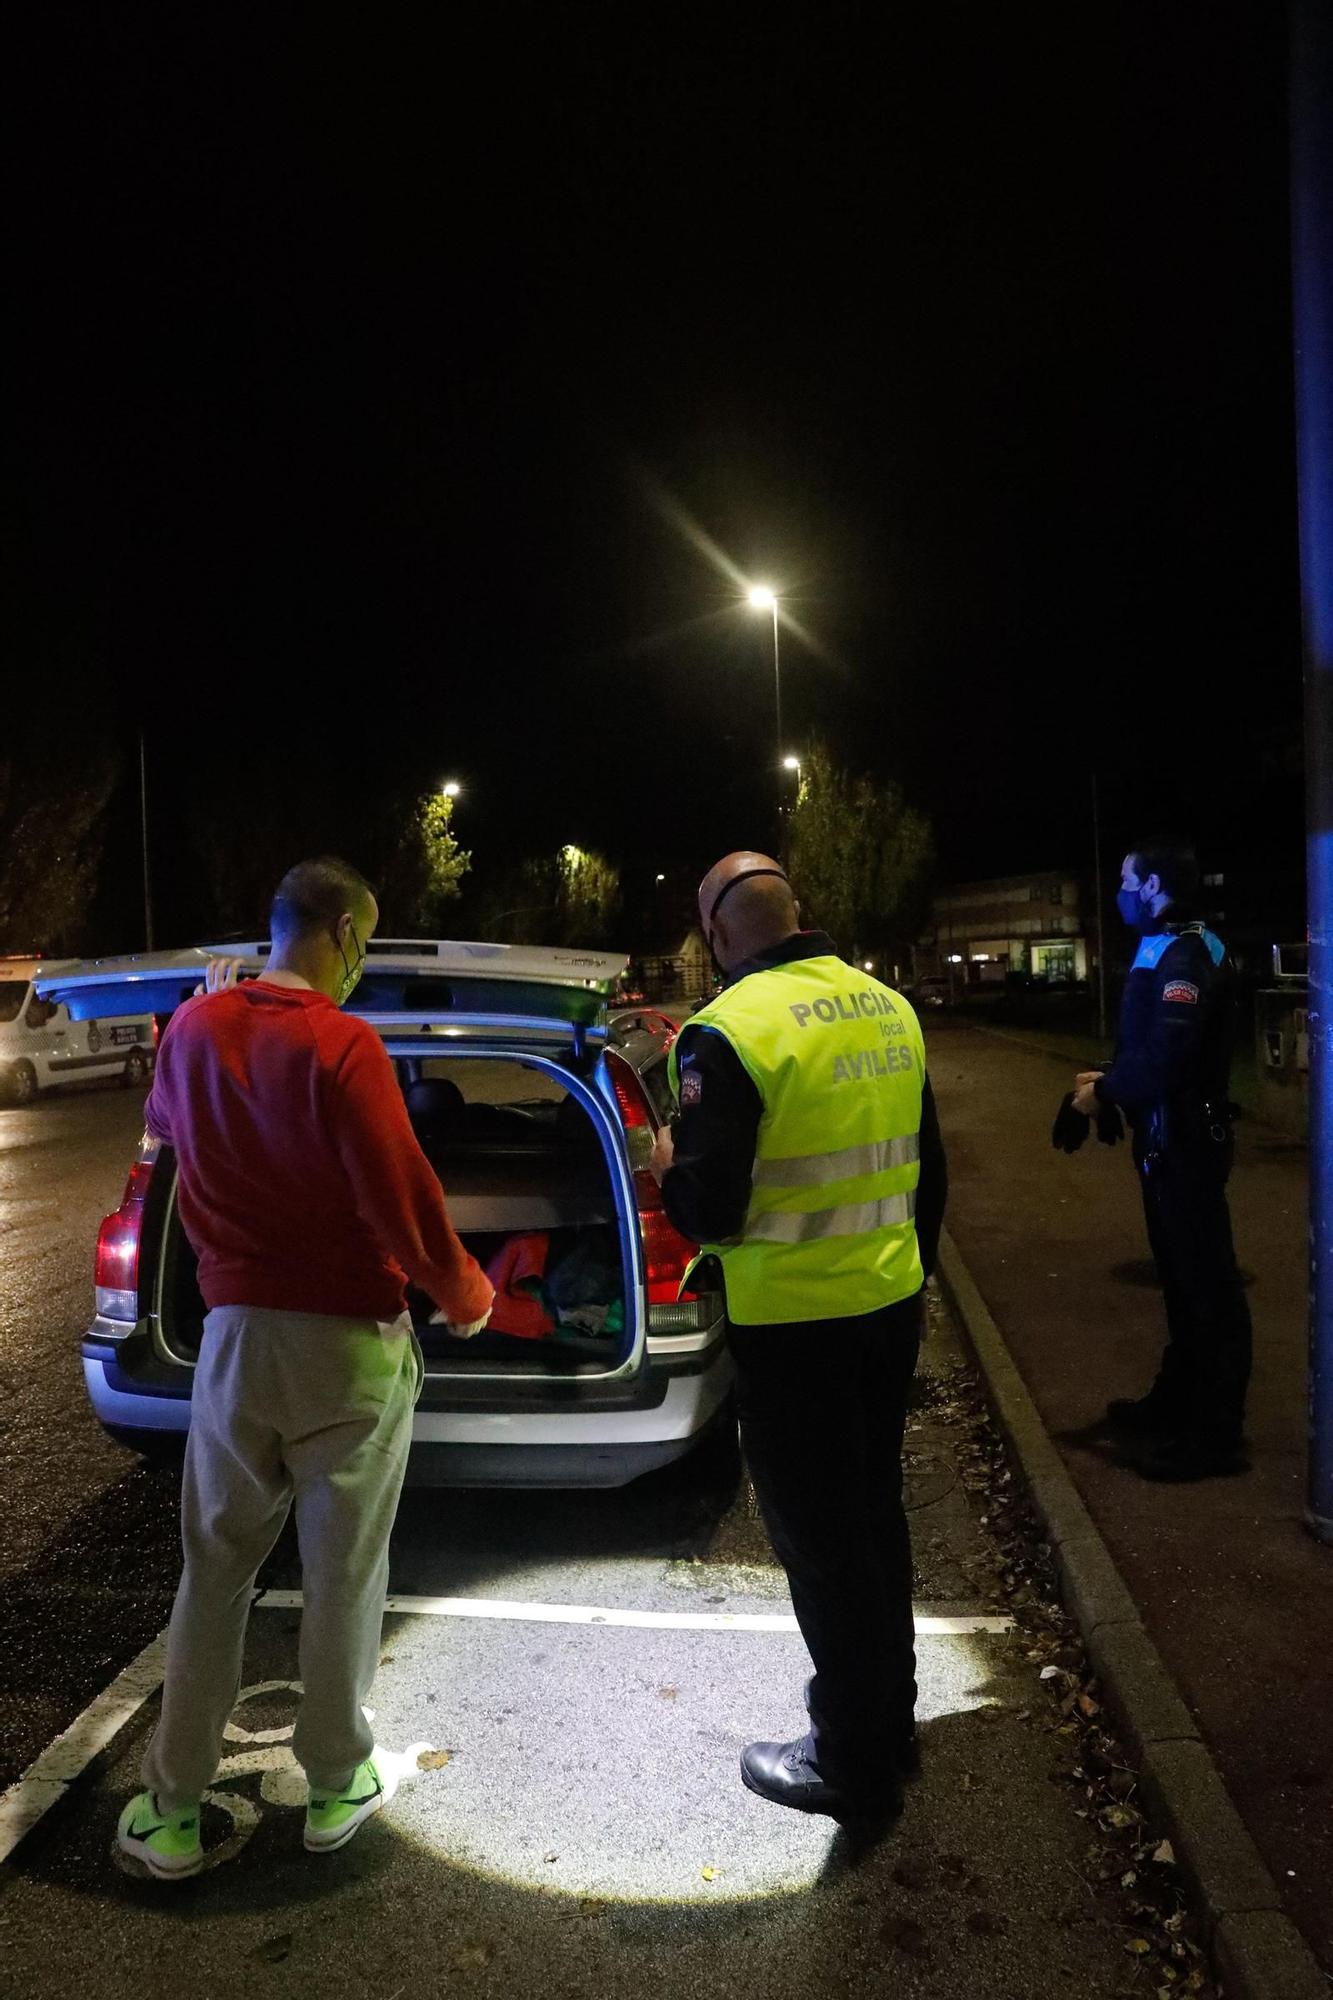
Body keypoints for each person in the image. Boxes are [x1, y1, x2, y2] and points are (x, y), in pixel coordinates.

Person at [116, 857, 493, 1881]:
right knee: (342, 1573)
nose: (362, 961)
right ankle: (335, 1784)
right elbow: (399, 1196)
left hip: (235, 1339)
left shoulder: (193, 1029)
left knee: (217, 1568)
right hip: (348, 1346)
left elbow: (166, 1136)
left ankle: (173, 1807)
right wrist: (466, 1293)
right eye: (363, 939)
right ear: (333, 930)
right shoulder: (345, 1044)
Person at [650, 851, 947, 1833]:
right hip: (885, 1305)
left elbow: (709, 1209)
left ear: (719, 931)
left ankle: (850, 1757)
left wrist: (663, 1163)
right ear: (797, 910)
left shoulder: (730, 1032)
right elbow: (925, 1172)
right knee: (872, 1516)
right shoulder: (886, 1005)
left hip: (792, 1327)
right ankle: (889, 1722)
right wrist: (903, 1275)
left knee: (821, 1545)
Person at [1070, 841, 1251, 1481]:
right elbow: (1149, 1047)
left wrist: (1107, 1092)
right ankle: (1178, 1403)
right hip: (1164, 1139)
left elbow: (1171, 1056)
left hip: (1187, 1144)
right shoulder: (1169, 944)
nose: (1118, 891)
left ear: (1151, 887)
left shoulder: (1189, 953)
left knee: (1207, 1288)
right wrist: (1113, 1078)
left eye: (1126, 880)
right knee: (1181, 1284)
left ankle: (1215, 1435)